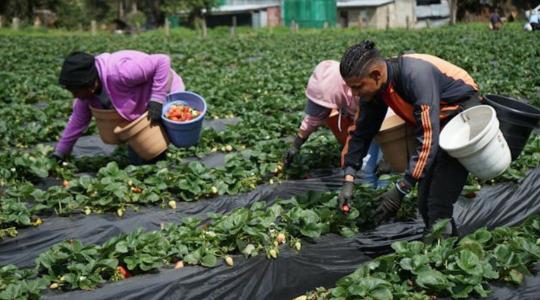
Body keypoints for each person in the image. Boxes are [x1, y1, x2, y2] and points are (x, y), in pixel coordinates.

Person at [337, 40, 481, 237]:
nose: (354, 93)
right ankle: (439, 252)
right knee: (424, 201)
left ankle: (444, 256)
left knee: (438, 203)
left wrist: (401, 188)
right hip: (439, 125)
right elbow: (361, 133)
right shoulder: (377, 90)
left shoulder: (415, 76)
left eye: (358, 86)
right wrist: (349, 177)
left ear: (376, 75)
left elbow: (428, 136)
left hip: (462, 120)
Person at [51, 50, 185, 164]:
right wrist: (60, 153)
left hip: (165, 89)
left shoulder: (121, 72)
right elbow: (77, 121)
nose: (75, 95)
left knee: (157, 150)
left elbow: (162, 61)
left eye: (75, 90)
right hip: (140, 102)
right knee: (140, 159)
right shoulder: (87, 94)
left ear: (89, 83)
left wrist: (157, 99)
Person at [284, 60, 387, 187]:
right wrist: (297, 144)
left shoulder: (364, 89)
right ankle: (370, 196)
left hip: (389, 127)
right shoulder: (338, 92)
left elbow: (390, 118)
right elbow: (314, 118)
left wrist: (387, 154)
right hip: (365, 127)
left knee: (386, 169)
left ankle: (386, 192)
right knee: (365, 168)